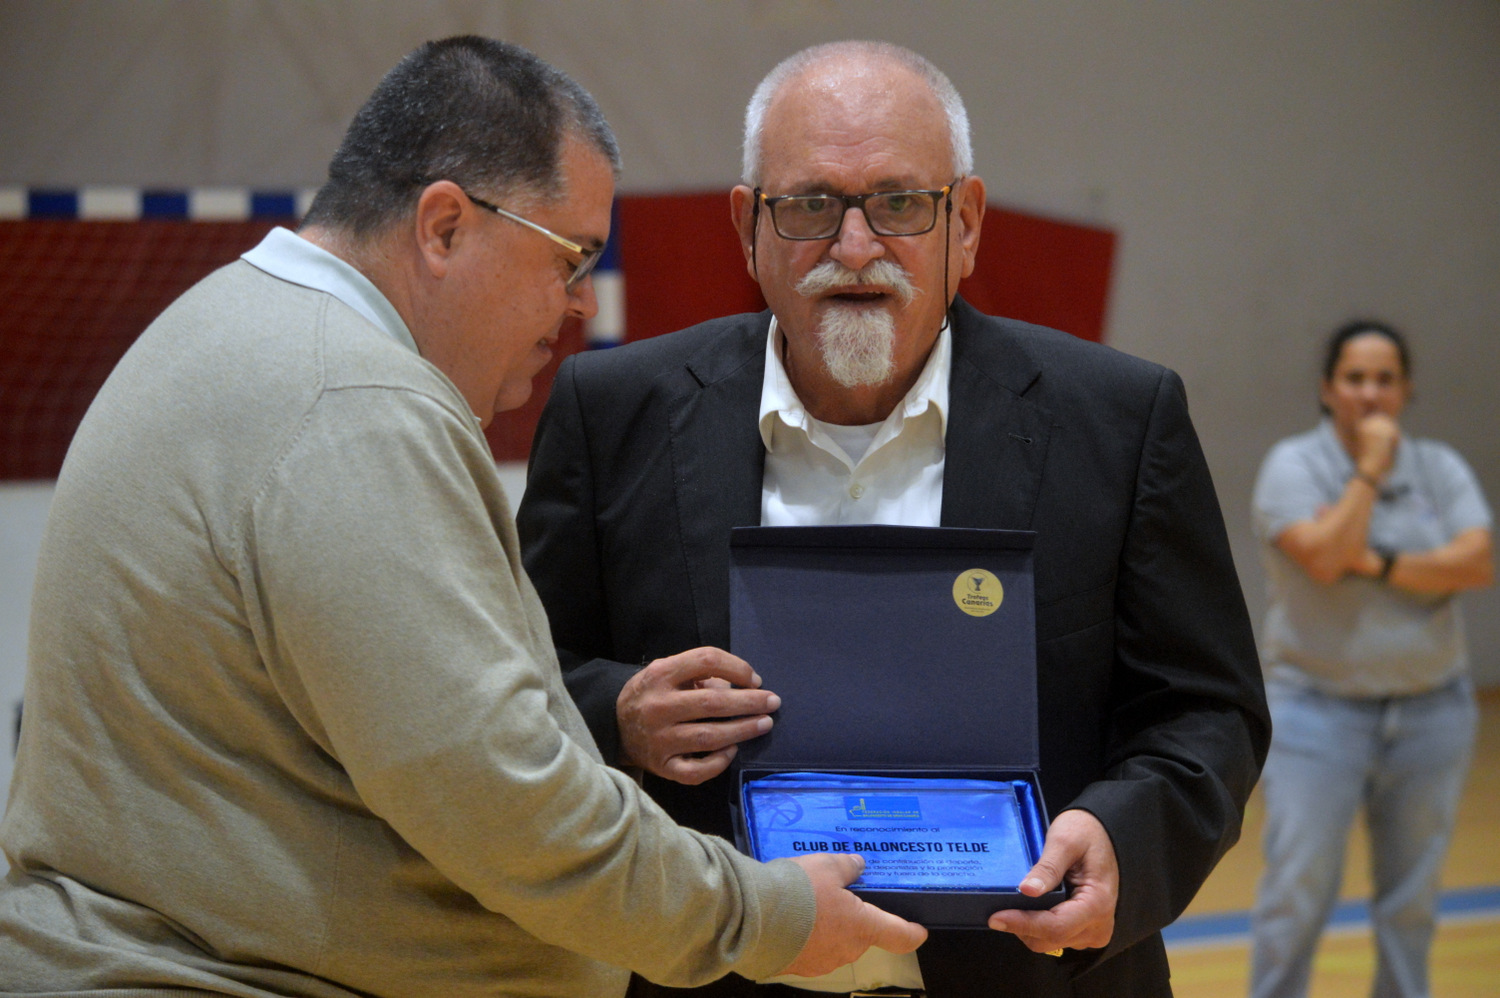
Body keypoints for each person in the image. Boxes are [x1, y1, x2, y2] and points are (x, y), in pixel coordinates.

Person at [0, 36, 926, 997]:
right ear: (444, 226)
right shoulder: (352, 400)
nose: (576, 307)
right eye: (571, 259)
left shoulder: (233, 325)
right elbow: (504, 804)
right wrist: (765, 915)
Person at [518, 40, 1270, 998]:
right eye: (811, 205)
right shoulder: (610, 410)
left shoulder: (1117, 419)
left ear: (967, 223)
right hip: (721, 974)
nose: (856, 246)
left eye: (901, 203)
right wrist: (616, 715)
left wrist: (1126, 835)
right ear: (749, 226)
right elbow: (524, 685)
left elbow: (1207, 712)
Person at [1247, 320, 1493, 998]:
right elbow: (1324, 558)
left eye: (1386, 379)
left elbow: (1474, 562)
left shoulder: (1440, 467)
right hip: (1315, 713)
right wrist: (1371, 473)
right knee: (1296, 898)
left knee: (1410, 905)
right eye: (1355, 378)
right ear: (1328, 390)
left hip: (1432, 712)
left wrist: (1377, 561)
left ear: (1407, 389)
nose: (1371, 394)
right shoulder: (1292, 467)